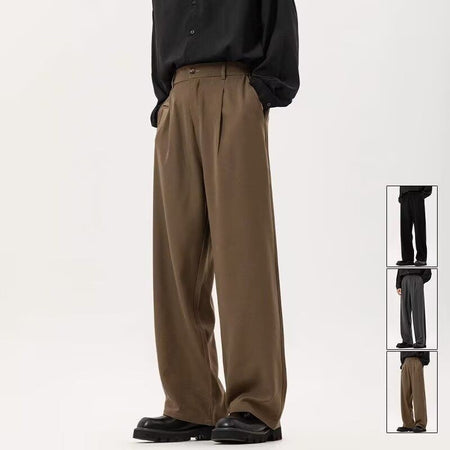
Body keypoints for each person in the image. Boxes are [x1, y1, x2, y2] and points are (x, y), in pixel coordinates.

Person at [133, 0, 300, 444]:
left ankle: (256, 404)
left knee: (243, 256)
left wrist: (261, 92)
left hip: (235, 90)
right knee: (176, 263)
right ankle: (192, 404)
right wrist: (165, 102)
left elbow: (279, 17)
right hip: (177, 99)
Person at [396, 186, 432, 266]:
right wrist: (401, 196)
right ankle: (407, 259)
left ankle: (421, 258)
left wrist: (424, 193)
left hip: (417, 194)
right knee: (405, 229)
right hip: (405, 196)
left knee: (419, 228)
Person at [395, 269, 431, 349]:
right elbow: (400, 269)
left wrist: (421, 280)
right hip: (404, 280)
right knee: (404, 312)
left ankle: (420, 341)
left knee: (418, 311)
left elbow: (427, 270)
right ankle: (407, 341)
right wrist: (398, 285)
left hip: (417, 278)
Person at [397, 351, 429, 433]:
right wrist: (403, 363)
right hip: (405, 362)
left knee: (418, 393)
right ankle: (408, 424)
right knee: (404, 394)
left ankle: (421, 424)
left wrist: (423, 361)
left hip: (416, 359)